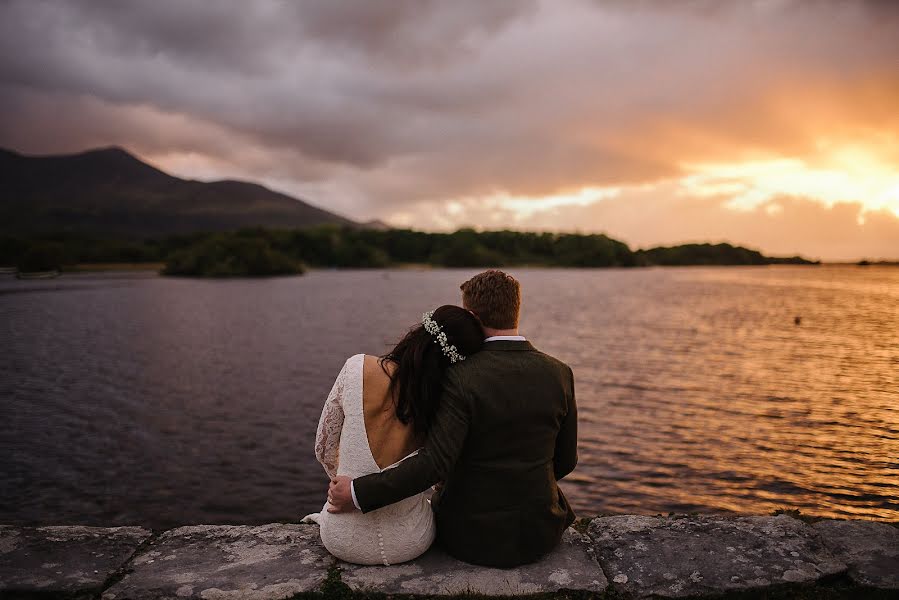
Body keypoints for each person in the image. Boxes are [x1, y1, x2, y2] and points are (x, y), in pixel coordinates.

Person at [328, 270, 578, 568]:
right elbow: (565, 461)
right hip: (542, 530)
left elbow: (435, 463)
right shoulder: (560, 372)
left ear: (471, 315)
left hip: (471, 537)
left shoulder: (459, 377)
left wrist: (356, 492)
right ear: (515, 310)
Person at [305, 305, 484, 565]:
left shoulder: (357, 367)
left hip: (342, 538)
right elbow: (437, 474)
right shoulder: (444, 405)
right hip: (411, 542)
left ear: (421, 331)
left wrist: (342, 486)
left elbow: (324, 447)